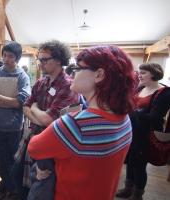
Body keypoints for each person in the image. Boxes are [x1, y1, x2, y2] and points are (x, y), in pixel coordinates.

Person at [28, 45, 135, 200]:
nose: (73, 73)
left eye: (78, 69)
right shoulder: (125, 119)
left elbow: (34, 147)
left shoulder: (74, 125)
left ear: (99, 75)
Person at [13, 40, 79, 200]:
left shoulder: (69, 86)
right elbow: (24, 107)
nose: (40, 63)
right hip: (34, 138)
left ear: (58, 60)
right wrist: (37, 114)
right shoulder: (41, 82)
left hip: (53, 145)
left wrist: (34, 109)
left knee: (42, 189)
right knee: (19, 179)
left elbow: (49, 120)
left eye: (44, 59)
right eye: (39, 59)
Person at [0, 41, 31, 200]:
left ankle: (12, 189)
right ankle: (7, 186)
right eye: (4, 55)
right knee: (1, 160)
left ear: (17, 58)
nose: (6, 59)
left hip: (15, 127)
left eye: (10, 56)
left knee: (14, 160)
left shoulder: (22, 76)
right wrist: (10, 101)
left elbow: (21, 102)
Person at [116, 63, 170, 200]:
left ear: (154, 73)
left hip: (146, 135)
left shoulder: (164, 92)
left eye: (144, 72)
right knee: (130, 161)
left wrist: (131, 113)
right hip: (132, 131)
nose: (139, 75)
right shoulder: (140, 88)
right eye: (140, 72)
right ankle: (128, 188)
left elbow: (155, 117)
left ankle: (137, 194)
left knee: (140, 165)